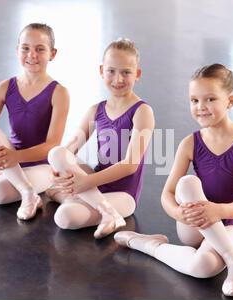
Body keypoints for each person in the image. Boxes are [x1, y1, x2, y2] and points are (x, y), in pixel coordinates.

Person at [114, 64, 233, 297]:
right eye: (194, 100)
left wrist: (217, 211)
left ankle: (145, 244)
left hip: (230, 225)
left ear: (230, 101)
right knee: (187, 184)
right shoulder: (190, 143)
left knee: (203, 267)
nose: (201, 107)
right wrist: (178, 214)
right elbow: (168, 194)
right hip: (192, 225)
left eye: (210, 99)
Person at [46, 38, 155, 239]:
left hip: (124, 195)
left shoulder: (142, 112)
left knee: (65, 217)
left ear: (137, 74)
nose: (118, 79)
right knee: (56, 153)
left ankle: (77, 199)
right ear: (101, 71)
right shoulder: (96, 110)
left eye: (126, 72)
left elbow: (130, 165)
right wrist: (55, 172)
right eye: (111, 71)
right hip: (95, 185)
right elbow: (69, 149)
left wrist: (85, 183)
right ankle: (107, 212)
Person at [0, 23, 69, 220]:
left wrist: (15, 157)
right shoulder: (5, 87)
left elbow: (53, 145)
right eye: (25, 48)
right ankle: (27, 192)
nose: (32, 55)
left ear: (52, 53)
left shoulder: (59, 93)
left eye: (40, 49)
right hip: (10, 159)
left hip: (42, 166)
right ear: (17, 51)